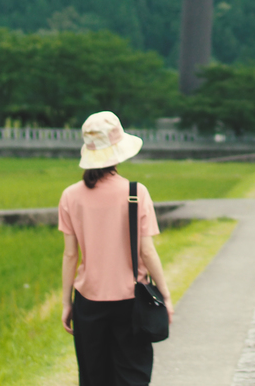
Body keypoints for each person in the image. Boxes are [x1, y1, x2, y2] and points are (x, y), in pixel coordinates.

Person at [59, 111, 174, 386]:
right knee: (132, 376)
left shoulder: (70, 196)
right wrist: (165, 296)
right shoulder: (136, 193)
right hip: (130, 301)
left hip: (88, 303)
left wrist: (67, 303)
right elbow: (147, 251)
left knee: (93, 377)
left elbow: (70, 255)